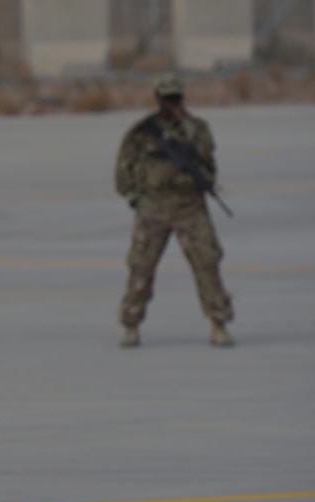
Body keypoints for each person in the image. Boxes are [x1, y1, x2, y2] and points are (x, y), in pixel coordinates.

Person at [114, 73, 234, 348]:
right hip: (153, 209)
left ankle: (219, 323)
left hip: (190, 207)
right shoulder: (142, 131)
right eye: (167, 98)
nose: (172, 103)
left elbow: (208, 163)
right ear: (157, 98)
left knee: (207, 265)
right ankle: (131, 324)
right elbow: (123, 169)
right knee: (141, 268)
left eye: (176, 98)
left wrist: (186, 129)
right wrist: (135, 198)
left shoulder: (197, 128)